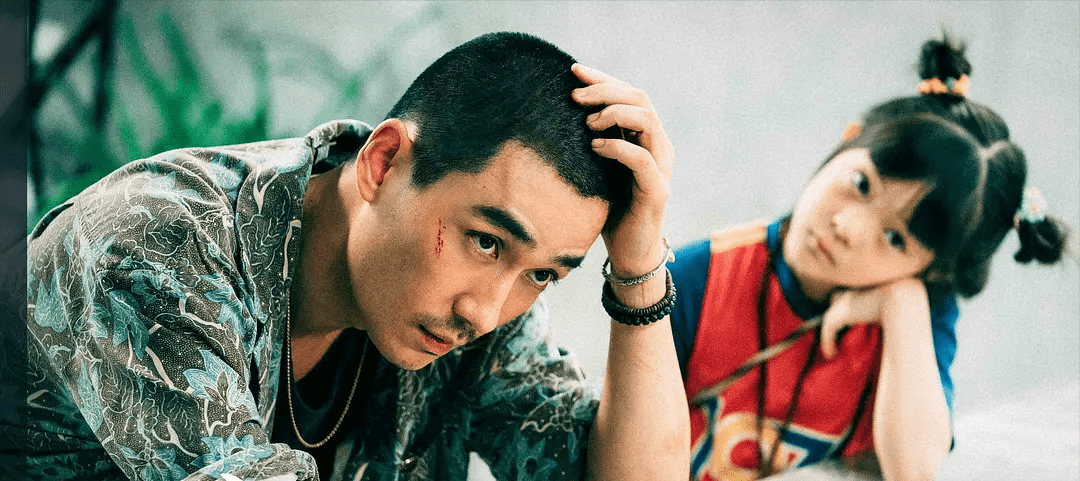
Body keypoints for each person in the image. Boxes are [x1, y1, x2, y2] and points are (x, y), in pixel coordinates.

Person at [20, 32, 689, 480]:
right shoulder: (156, 247)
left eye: (542, 273)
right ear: (384, 161)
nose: (485, 311)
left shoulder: (475, 311)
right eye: (486, 242)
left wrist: (638, 268)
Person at [669, 34, 1070, 481]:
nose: (848, 228)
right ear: (850, 139)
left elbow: (914, 470)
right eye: (862, 184)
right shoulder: (696, 278)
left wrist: (901, 305)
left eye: (896, 239)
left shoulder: (916, 316)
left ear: (931, 270)